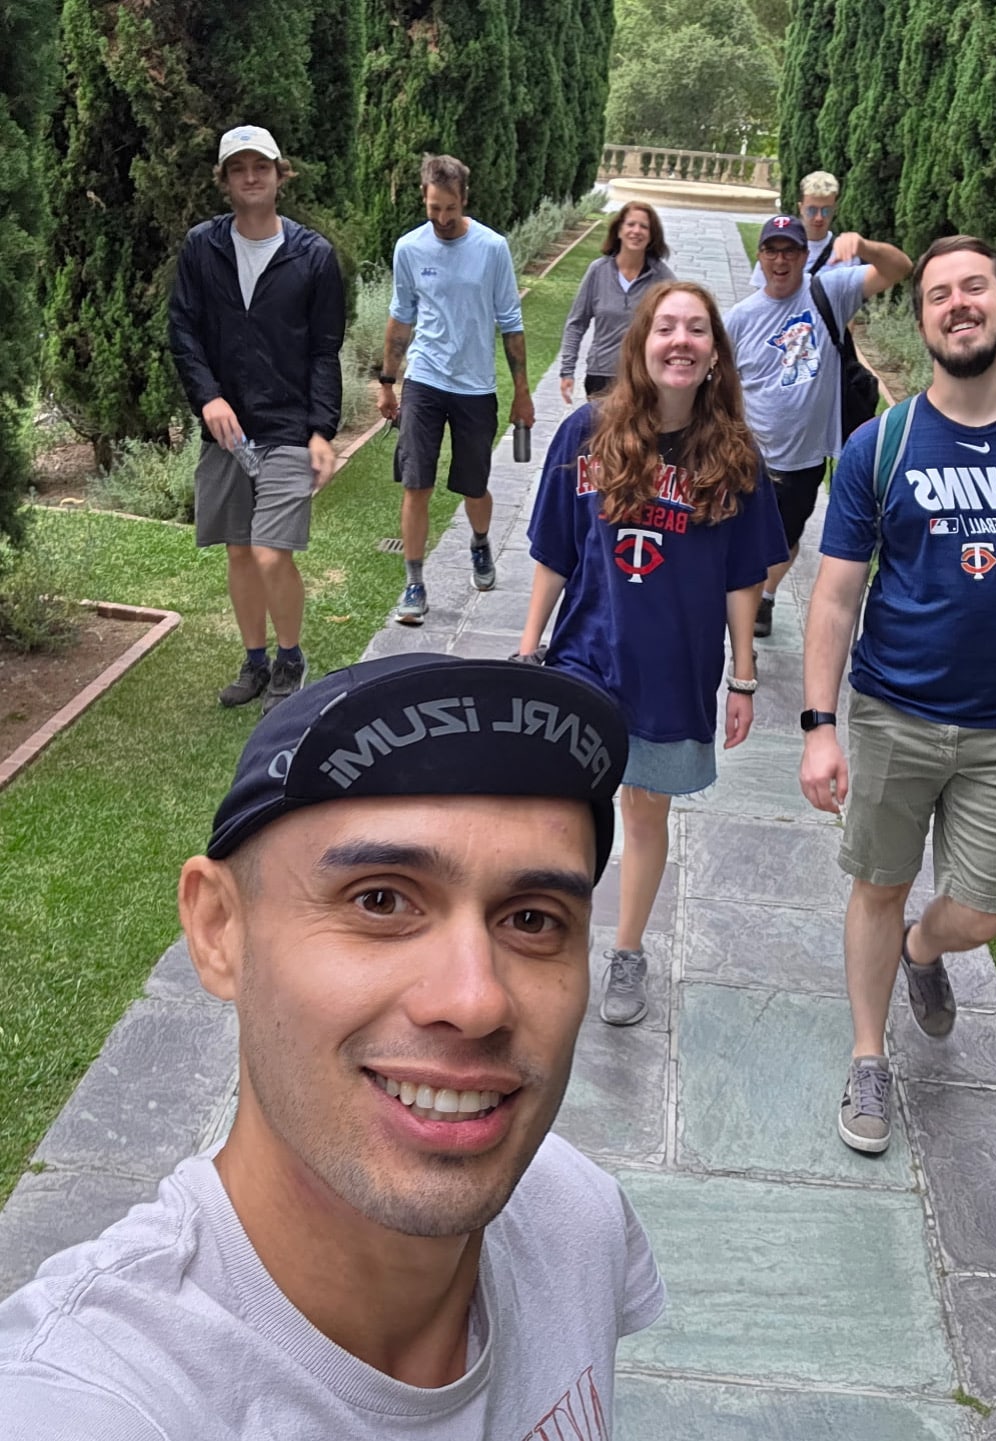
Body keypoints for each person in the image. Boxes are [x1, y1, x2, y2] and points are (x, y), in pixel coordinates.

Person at [0, 654, 665, 1436]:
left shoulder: (576, 1218)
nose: (475, 998)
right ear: (219, 929)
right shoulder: (90, 1395)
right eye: (380, 900)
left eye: (532, 918)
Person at [799, 236, 996, 1155]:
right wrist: (819, 725)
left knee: (981, 910)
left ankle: (923, 949)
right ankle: (869, 1057)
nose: (955, 303)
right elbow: (835, 591)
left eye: (973, 287)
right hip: (894, 710)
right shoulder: (881, 444)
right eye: (937, 293)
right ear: (923, 318)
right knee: (877, 883)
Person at [517, 281, 788, 1026]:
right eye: (664, 326)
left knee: (643, 815)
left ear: (712, 356)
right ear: (638, 345)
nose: (679, 340)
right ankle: (548, 938)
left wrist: (742, 676)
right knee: (562, 812)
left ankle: (627, 951)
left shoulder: (734, 459)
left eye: (695, 330)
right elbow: (555, 551)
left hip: (674, 671)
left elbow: (743, 577)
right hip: (585, 657)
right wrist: (527, 644)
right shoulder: (586, 435)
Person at [170, 123, 345, 713]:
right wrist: (207, 398)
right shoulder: (203, 246)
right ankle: (254, 661)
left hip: (289, 427)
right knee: (239, 550)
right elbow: (184, 331)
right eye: (239, 168)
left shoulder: (313, 255)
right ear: (225, 180)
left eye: (261, 167)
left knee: (272, 550)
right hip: (226, 430)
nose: (251, 177)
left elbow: (325, 349)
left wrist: (322, 429)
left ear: (278, 175)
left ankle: (290, 659)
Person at [726, 215, 911, 639]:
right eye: (771, 250)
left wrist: (863, 244)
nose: (780, 259)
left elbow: (900, 268)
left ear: (804, 256)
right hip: (749, 455)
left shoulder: (829, 292)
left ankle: (765, 596)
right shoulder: (739, 317)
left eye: (790, 250)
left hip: (804, 456)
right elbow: (724, 385)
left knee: (786, 539)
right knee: (743, 541)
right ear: (760, 257)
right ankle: (744, 619)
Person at [377, 155, 534, 625]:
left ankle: (480, 544)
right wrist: (388, 382)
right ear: (424, 199)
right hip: (424, 380)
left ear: (464, 199)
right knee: (415, 484)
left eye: (449, 208)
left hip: (475, 387)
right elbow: (401, 317)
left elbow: (511, 323)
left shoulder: (492, 248)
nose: (442, 219)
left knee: (474, 485)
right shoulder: (409, 248)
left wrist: (522, 393)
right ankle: (414, 582)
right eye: (433, 209)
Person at [558, 202, 674, 402]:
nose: (636, 231)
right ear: (619, 230)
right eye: (631, 224)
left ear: (652, 235)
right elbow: (576, 323)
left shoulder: (662, 278)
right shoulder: (598, 271)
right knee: (602, 432)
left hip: (643, 377)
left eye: (644, 226)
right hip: (601, 376)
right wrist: (567, 371)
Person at [746, 170, 860, 289]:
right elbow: (761, 296)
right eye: (812, 210)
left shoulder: (848, 256)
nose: (819, 217)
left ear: (834, 209)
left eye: (826, 210)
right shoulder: (778, 246)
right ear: (801, 208)